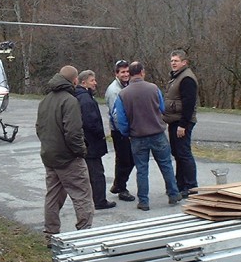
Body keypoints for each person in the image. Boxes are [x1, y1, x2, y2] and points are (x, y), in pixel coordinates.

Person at [36, 65, 94, 246]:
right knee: (82, 195)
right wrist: (81, 151)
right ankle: (84, 235)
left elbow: (39, 128)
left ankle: (50, 235)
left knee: (53, 196)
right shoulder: (70, 101)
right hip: (68, 158)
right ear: (75, 80)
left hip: (49, 156)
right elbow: (73, 132)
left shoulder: (45, 100)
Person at [113, 61, 181, 211]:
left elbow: (120, 119)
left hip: (137, 137)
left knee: (142, 169)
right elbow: (162, 108)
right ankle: (173, 194)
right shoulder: (154, 88)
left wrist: (126, 133)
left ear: (129, 74)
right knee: (166, 165)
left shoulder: (123, 94)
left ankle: (144, 201)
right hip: (157, 133)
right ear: (142, 72)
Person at [75, 70, 117, 210]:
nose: (95, 83)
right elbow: (90, 122)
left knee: (89, 173)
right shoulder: (86, 100)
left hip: (86, 142)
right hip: (91, 143)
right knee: (97, 173)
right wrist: (100, 134)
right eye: (92, 80)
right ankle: (100, 200)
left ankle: (91, 198)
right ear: (83, 82)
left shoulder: (81, 97)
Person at [163, 49, 199, 198]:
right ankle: (180, 184)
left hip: (182, 122)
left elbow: (189, 104)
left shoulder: (187, 79)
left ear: (184, 62)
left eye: (176, 61)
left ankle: (191, 186)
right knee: (177, 154)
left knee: (184, 154)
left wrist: (183, 125)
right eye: (172, 61)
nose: (173, 63)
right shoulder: (176, 77)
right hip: (174, 121)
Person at [104, 60, 136, 202]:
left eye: (127, 71)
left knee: (129, 159)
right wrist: (125, 132)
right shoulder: (114, 90)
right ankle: (122, 189)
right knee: (125, 160)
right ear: (117, 73)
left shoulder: (128, 86)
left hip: (127, 128)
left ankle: (118, 184)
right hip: (120, 130)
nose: (125, 74)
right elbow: (116, 114)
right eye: (122, 72)